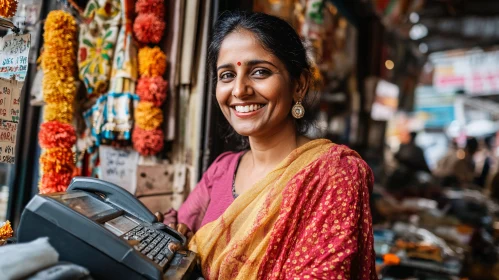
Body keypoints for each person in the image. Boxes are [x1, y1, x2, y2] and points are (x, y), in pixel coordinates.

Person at [164, 11, 376, 279]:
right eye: (227, 75)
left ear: (299, 85)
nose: (240, 90)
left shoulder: (333, 174)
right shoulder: (221, 170)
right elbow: (174, 243)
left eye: (260, 72)